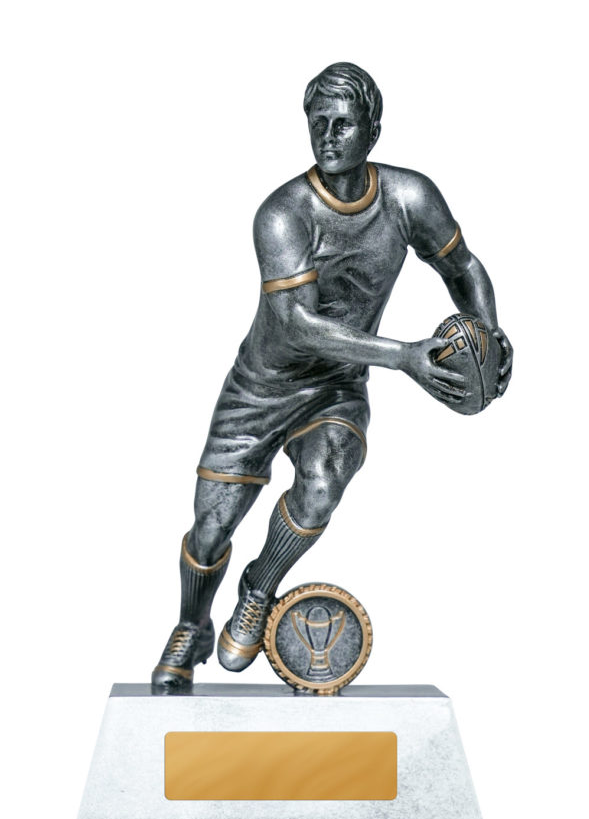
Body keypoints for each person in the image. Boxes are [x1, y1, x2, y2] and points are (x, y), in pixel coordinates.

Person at [152, 62, 513, 690]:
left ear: (373, 130)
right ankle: (191, 625)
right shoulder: (283, 213)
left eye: (342, 123)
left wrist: (489, 334)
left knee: (323, 483)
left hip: (339, 386)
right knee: (210, 527)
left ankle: (259, 587)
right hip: (260, 387)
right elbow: (297, 324)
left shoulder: (409, 197)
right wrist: (404, 355)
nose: (328, 135)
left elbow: (463, 266)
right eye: (317, 122)